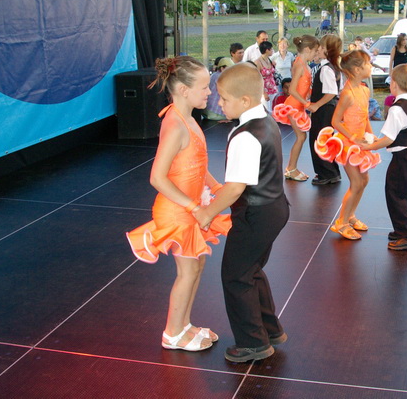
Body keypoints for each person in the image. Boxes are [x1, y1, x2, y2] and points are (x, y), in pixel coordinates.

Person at [126, 56, 231, 352]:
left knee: (196, 266)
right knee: (187, 272)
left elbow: (196, 163)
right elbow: (157, 177)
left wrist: (216, 188)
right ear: (184, 90)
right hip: (178, 210)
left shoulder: (188, 117)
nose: (209, 91)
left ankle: (184, 326)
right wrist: (195, 207)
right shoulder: (175, 124)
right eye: (204, 87)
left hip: (189, 207)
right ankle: (172, 334)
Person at [194, 63, 289, 363]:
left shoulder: (245, 136)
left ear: (245, 100)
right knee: (251, 270)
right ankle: (270, 330)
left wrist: (207, 213)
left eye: (224, 99)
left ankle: (253, 344)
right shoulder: (267, 120)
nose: (219, 103)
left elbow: (235, 188)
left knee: (235, 276)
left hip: (255, 215)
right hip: (275, 209)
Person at [314, 50, 381, 240]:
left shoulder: (365, 90)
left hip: (360, 143)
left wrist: (370, 136)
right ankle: (341, 222)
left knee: (364, 180)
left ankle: (350, 215)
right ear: (357, 70)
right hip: (348, 145)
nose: (371, 66)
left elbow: (365, 117)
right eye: (368, 64)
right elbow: (335, 121)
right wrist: (353, 138)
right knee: (356, 182)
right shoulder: (347, 93)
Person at [361, 64, 407, 250]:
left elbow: (388, 139)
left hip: (403, 158)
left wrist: (369, 146)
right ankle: (400, 229)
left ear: (394, 84)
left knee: (395, 194)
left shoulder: (396, 109)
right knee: (401, 193)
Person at [272, 35, 320, 181]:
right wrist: (307, 104)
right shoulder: (299, 64)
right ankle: (291, 169)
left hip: (298, 106)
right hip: (294, 106)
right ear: (308, 49)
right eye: (315, 51)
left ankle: (292, 168)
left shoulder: (303, 64)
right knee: (301, 137)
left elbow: (302, 87)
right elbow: (292, 90)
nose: (316, 54)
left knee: (301, 137)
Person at [308, 34, 342, 185]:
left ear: (328, 50)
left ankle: (326, 173)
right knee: (325, 140)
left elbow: (331, 92)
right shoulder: (332, 68)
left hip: (323, 111)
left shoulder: (326, 69)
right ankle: (330, 171)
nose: (318, 50)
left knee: (319, 140)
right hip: (327, 110)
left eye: (321, 47)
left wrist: (316, 104)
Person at [204, 57, 232, 121]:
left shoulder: (214, 75)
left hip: (207, 111)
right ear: (222, 68)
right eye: (229, 68)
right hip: (215, 113)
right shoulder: (221, 77)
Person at [256, 41, 279, 108]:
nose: (272, 51)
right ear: (267, 50)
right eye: (271, 49)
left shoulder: (269, 60)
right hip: (265, 89)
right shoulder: (258, 62)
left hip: (273, 88)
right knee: (266, 109)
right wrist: (264, 92)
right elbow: (257, 78)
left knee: (272, 108)